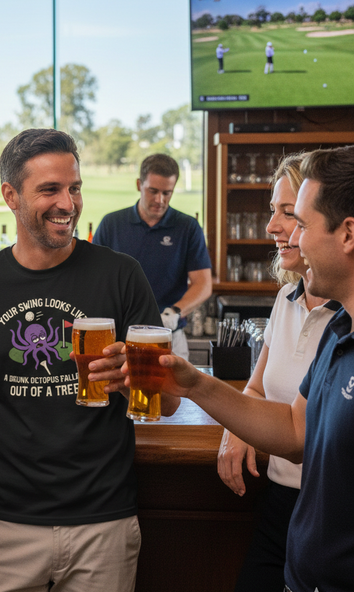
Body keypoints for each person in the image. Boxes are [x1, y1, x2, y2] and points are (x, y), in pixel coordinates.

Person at [0, 128, 178, 592]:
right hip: (5, 522)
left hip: (105, 522)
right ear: (10, 195)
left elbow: (170, 403)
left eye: (75, 188)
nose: (68, 203)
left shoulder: (122, 275)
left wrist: (135, 378)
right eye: (50, 189)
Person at [137, 144, 354, 592]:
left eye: (300, 220)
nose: (285, 233)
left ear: (347, 233)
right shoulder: (339, 332)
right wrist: (196, 384)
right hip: (297, 546)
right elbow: (295, 431)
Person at [216, 154, 339, 591]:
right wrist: (237, 429)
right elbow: (255, 386)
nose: (272, 226)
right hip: (277, 499)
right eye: (273, 210)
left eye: (289, 213)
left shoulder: (347, 313)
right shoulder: (286, 297)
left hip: (331, 512)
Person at [93, 154, 212, 361]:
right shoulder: (111, 224)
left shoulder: (187, 227)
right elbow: (93, 279)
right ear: (139, 184)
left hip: (168, 337)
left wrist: (175, 312)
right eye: (153, 191)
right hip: (118, 339)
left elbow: (203, 284)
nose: (160, 200)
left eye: (167, 193)